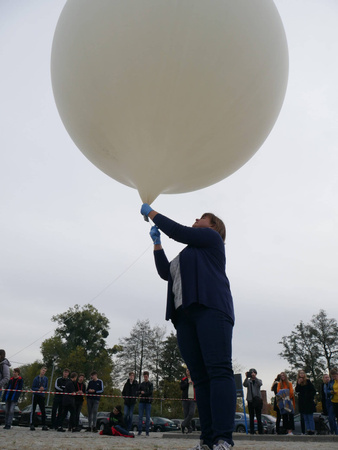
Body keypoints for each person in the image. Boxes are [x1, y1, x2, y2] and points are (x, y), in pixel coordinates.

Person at [141, 204, 236, 450]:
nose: (196, 219)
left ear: (214, 226)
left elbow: (180, 231)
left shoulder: (212, 239)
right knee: (201, 380)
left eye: (202, 218)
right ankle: (207, 440)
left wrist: (153, 213)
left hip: (211, 309)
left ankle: (224, 438)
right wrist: (157, 244)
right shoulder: (187, 254)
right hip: (184, 316)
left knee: (218, 370)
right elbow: (166, 273)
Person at [295, 370, 316, 435]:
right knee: (305, 417)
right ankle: (308, 430)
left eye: (302, 373)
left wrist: (309, 397)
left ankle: (312, 430)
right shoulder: (298, 382)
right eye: (300, 373)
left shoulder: (308, 382)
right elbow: (297, 390)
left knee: (310, 417)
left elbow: (313, 391)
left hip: (308, 402)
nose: (301, 374)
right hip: (302, 402)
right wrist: (298, 383)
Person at [243, 369, 263, 435]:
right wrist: (246, 377)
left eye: (254, 373)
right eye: (251, 373)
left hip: (257, 400)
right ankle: (252, 431)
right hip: (250, 400)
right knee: (251, 416)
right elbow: (244, 384)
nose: (253, 374)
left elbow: (260, 384)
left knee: (259, 416)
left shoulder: (258, 380)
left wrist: (255, 378)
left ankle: (260, 431)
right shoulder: (249, 381)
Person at [30, 366, 49, 431]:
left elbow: (46, 387)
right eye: (43, 370)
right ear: (40, 370)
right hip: (36, 395)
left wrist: (43, 389)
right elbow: (33, 387)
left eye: (44, 371)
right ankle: (32, 424)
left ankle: (44, 425)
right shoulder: (36, 378)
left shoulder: (46, 379)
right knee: (33, 409)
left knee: (43, 410)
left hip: (42, 395)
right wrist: (38, 389)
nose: (43, 372)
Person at [137, 370, 153, 437]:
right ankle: (139, 431)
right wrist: (140, 393)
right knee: (140, 417)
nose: (145, 377)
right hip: (142, 402)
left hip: (148, 402)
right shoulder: (141, 384)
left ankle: (147, 432)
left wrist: (144, 393)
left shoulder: (150, 384)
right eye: (144, 376)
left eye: (146, 376)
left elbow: (150, 392)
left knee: (148, 417)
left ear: (148, 377)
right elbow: (138, 391)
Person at [180, 368, 196, 434]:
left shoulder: (195, 379)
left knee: (191, 413)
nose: (188, 372)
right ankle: (189, 428)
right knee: (186, 414)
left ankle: (183, 424)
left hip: (193, 399)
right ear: (186, 372)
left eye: (189, 370)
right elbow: (181, 387)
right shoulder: (184, 379)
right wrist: (187, 383)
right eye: (187, 371)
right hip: (185, 399)